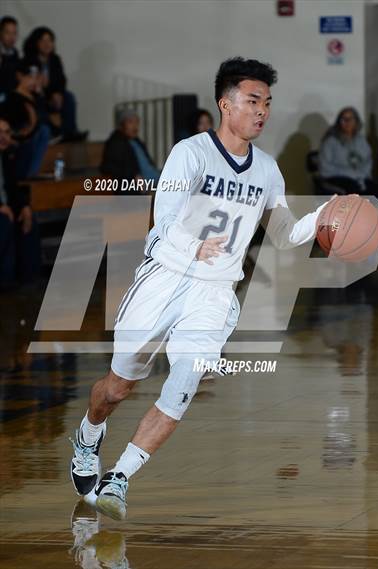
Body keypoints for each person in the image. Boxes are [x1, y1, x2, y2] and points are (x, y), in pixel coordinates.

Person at [70, 57, 330, 521]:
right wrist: (194, 246)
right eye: (253, 101)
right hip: (165, 278)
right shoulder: (190, 152)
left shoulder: (268, 170)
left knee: (185, 381)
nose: (262, 111)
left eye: (267, 102)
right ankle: (89, 436)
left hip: (215, 293)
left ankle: (120, 478)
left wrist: (327, 216)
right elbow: (164, 218)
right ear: (225, 104)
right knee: (117, 388)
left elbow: (285, 232)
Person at [23, 26, 87, 141]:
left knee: (68, 97)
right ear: (36, 43)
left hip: (52, 96)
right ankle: (54, 132)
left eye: (50, 40)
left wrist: (57, 93)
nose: (47, 44)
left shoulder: (55, 59)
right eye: (43, 40)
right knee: (37, 102)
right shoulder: (28, 60)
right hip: (36, 96)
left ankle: (70, 132)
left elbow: (61, 80)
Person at [0, 117, 40, 288]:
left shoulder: (7, 157)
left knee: (29, 220)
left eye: (7, 132)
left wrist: (24, 206)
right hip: (2, 211)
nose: (3, 137)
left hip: (7, 208)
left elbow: (13, 188)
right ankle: (5, 280)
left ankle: (29, 279)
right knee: (4, 223)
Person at [1, 60, 50, 179]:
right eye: (30, 77)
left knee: (44, 131)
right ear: (20, 76)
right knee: (43, 131)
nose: (34, 81)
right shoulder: (11, 99)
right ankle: (27, 177)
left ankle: (31, 174)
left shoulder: (35, 98)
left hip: (27, 141)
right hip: (14, 142)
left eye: (36, 77)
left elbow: (41, 119)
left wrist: (40, 95)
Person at [318, 107, 374, 195]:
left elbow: (368, 162)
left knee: (373, 188)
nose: (347, 122)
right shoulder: (330, 142)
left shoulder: (361, 141)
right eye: (344, 119)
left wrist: (360, 175)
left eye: (350, 119)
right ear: (339, 122)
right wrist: (350, 174)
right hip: (337, 178)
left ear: (356, 122)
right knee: (352, 188)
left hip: (360, 177)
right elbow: (325, 168)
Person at [101, 109, 160, 186]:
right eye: (130, 122)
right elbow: (113, 168)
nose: (135, 126)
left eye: (137, 122)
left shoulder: (137, 141)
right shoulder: (116, 143)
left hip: (156, 179)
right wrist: (134, 176)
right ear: (121, 125)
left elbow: (149, 164)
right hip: (139, 185)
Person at [0, 16, 19, 103]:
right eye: (7, 33)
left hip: (11, 93)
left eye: (14, 33)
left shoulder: (15, 52)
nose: (12, 37)